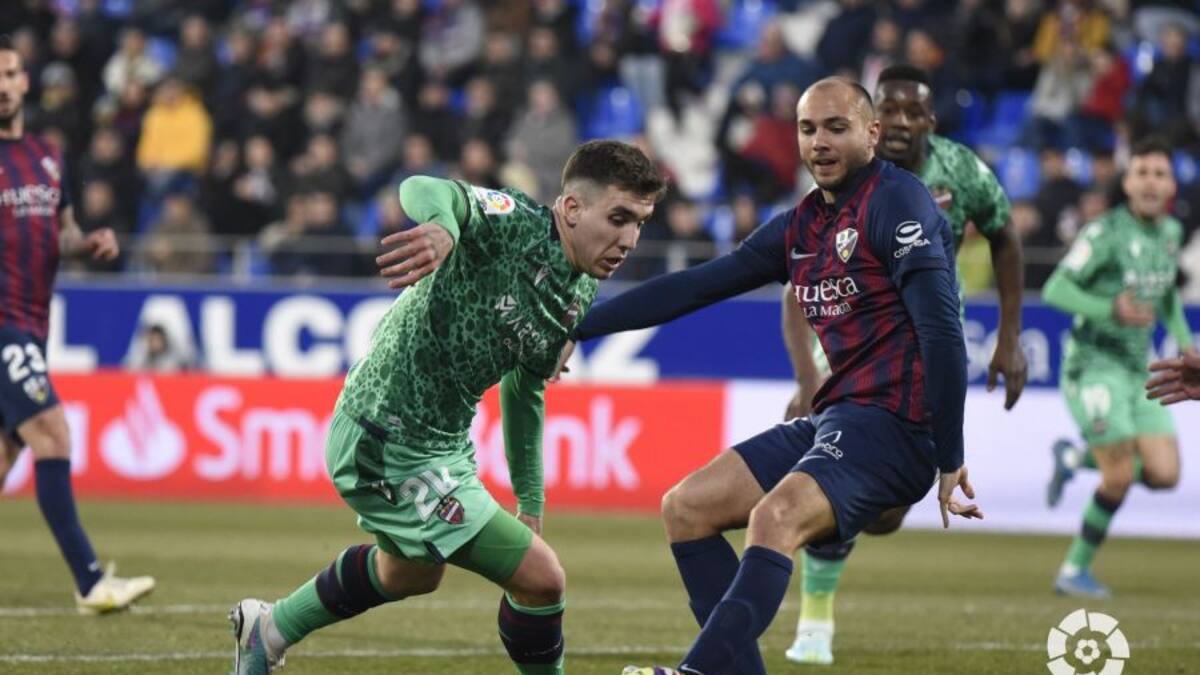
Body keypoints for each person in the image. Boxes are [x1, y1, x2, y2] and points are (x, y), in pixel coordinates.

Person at [563, 77, 979, 675]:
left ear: (872, 133)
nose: (820, 142)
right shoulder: (801, 226)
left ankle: (693, 673)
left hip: (898, 426)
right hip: (839, 418)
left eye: (836, 127)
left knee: (774, 518)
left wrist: (950, 454)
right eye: (808, 129)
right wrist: (580, 327)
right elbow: (696, 286)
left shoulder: (898, 202)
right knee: (688, 508)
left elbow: (943, 334)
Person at [228, 140, 666, 674]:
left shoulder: (581, 289)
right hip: (384, 432)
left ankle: (268, 631)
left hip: (441, 444)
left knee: (410, 573)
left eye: (641, 223)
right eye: (619, 217)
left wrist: (530, 500)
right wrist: (443, 226)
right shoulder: (516, 225)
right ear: (572, 207)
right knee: (541, 578)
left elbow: (525, 389)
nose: (629, 240)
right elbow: (422, 188)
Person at [779, 63, 1027, 665]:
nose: (900, 122)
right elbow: (794, 283)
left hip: (922, 349)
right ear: (871, 118)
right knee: (833, 480)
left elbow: (1006, 236)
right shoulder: (839, 177)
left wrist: (1010, 337)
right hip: (848, 348)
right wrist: (808, 377)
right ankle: (814, 619)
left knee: (885, 513)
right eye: (889, 109)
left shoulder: (961, 170)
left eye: (914, 111)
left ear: (930, 121)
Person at [0, 35, 154, 613]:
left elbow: (59, 235)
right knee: (53, 433)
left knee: (6, 456)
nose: (2, 84)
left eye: (10, 72)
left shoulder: (46, 155)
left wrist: (88, 243)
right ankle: (90, 581)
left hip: (32, 325)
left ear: (22, 81)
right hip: (3, 325)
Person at [1042, 136, 1190, 599]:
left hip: (1136, 369)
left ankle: (1073, 457)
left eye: (1159, 174)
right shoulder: (1104, 234)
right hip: (1093, 364)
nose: (1150, 182)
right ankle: (1072, 571)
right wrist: (1110, 308)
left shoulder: (1170, 235)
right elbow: (1055, 289)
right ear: (1127, 182)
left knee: (1165, 474)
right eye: (1141, 172)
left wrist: (1184, 341)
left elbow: (1165, 291)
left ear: (1172, 185)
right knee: (1120, 474)